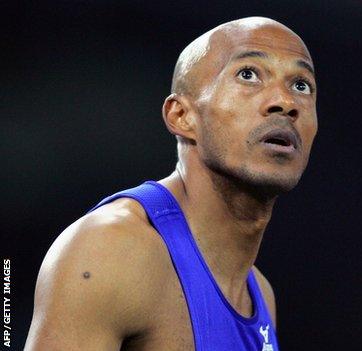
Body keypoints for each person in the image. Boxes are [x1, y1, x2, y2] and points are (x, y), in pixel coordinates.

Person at [25, 16, 317, 350]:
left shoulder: (260, 294)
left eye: (301, 85)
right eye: (248, 75)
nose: (286, 102)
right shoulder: (112, 250)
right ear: (182, 117)